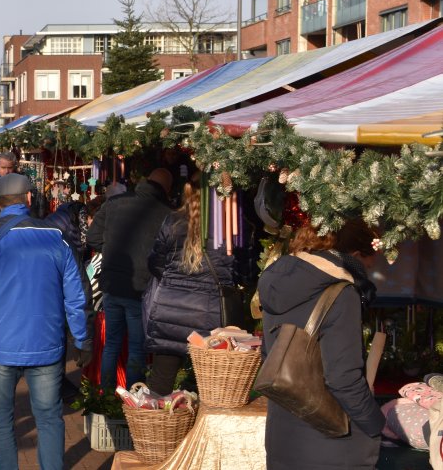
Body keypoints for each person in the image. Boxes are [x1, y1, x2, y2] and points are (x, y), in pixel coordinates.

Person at [0, 174, 90, 470]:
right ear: (28, 199)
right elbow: (76, 296)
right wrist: (80, 338)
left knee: (0, 420)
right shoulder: (56, 236)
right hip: (47, 343)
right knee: (49, 417)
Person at [259, 220, 383, 469]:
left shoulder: (277, 280)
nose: (367, 272)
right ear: (356, 255)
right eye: (369, 264)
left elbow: (269, 356)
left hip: (283, 436)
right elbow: (343, 380)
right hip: (332, 443)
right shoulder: (341, 293)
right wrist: (375, 424)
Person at [144, 175, 234, 395]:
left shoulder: (172, 221)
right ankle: (201, 427)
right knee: (210, 386)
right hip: (209, 314)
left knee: (161, 382)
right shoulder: (229, 225)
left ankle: (160, 428)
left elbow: (155, 262)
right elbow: (239, 270)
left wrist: (175, 281)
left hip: (171, 311)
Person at [87, 168, 173, 389]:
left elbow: (93, 238)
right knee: (136, 346)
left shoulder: (115, 202)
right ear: (167, 188)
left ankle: (106, 395)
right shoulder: (165, 212)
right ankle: (133, 399)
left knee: (112, 344)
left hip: (112, 284)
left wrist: (112, 252)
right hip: (139, 288)